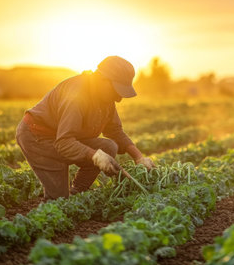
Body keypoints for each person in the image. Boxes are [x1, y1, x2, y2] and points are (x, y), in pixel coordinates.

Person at [16, 56, 155, 200]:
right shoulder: (76, 96)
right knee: (59, 200)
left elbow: (114, 130)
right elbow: (64, 143)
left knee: (108, 147)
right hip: (37, 136)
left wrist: (139, 157)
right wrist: (95, 156)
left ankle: (77, 192)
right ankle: (57, 200)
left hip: (62, 138)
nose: (119, 98)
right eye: (117, 90)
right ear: (103, 80)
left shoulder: (105, 96)